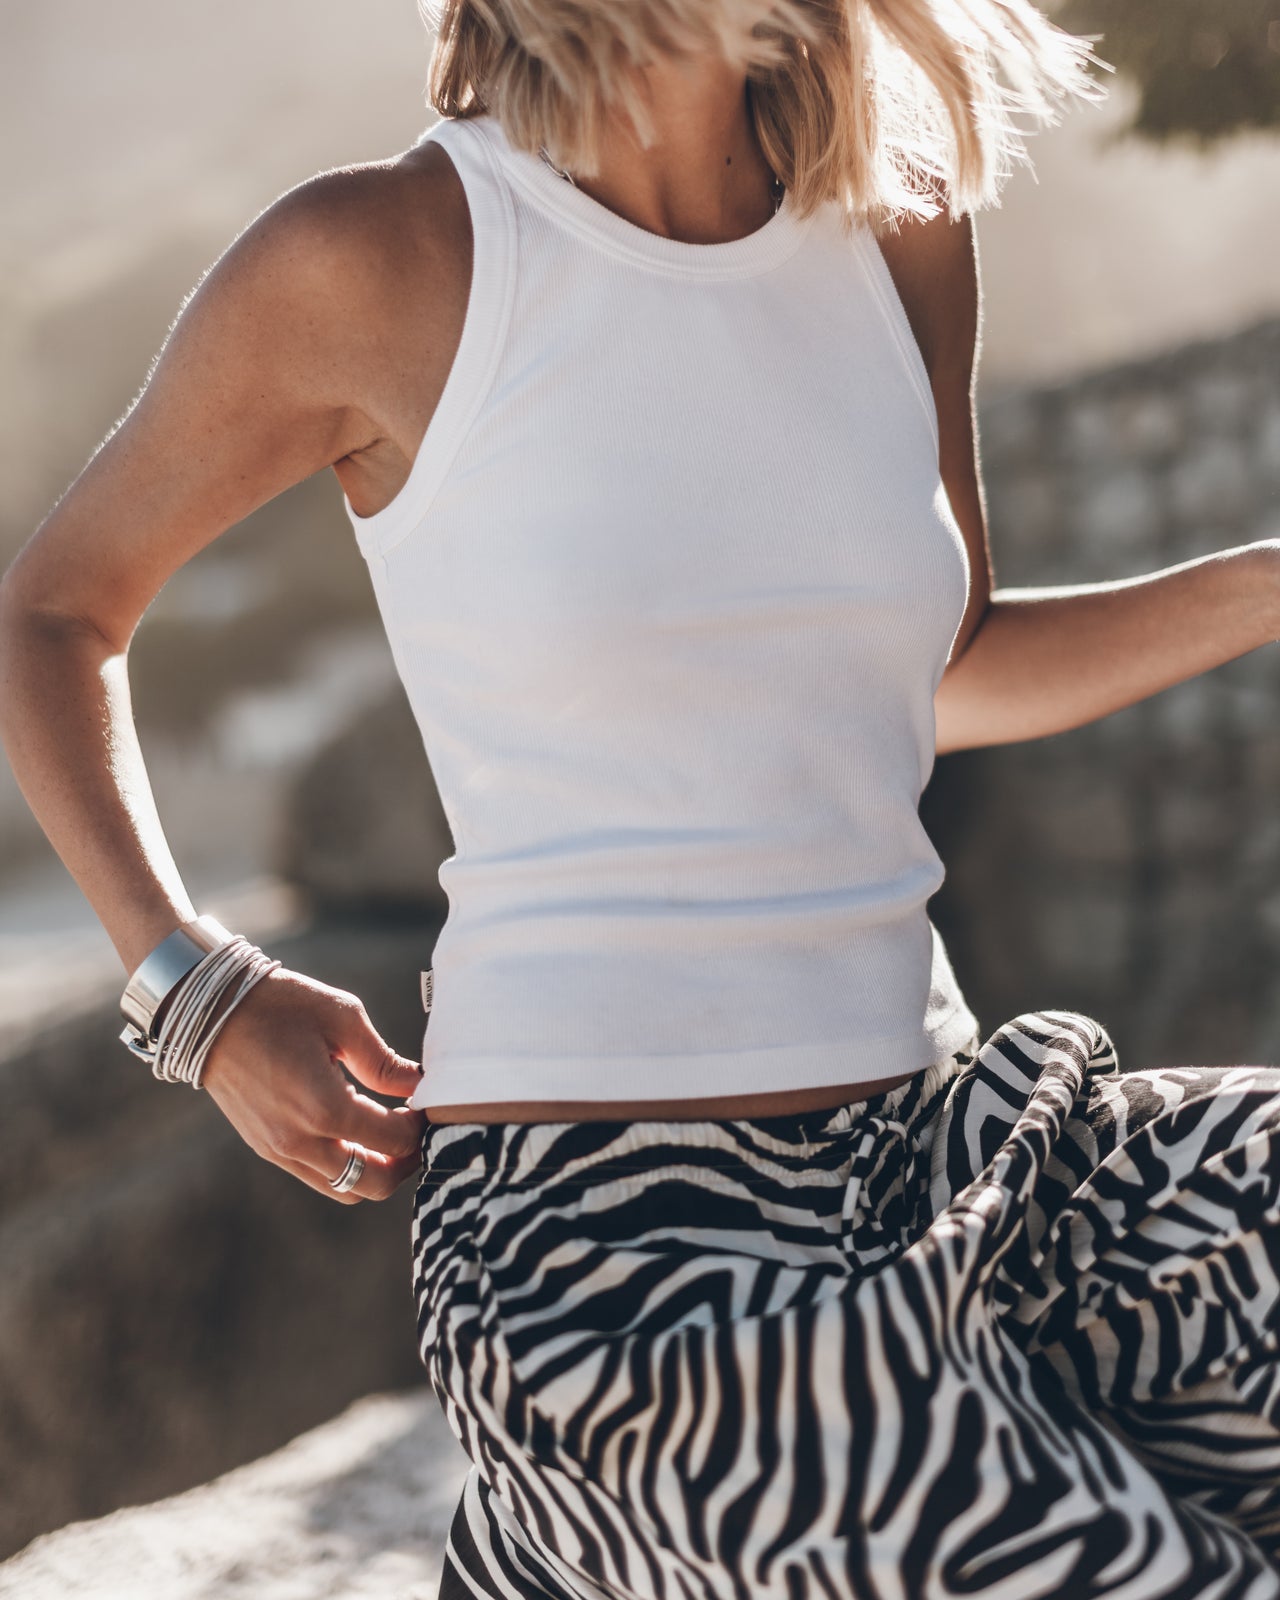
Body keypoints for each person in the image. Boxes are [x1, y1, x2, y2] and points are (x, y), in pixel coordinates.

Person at [2, 0, 1280, 1592]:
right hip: (612, 1249)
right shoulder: (384, 255)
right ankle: (579, 1523)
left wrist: (1265, 587)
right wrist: (189, 983)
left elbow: (939, 670)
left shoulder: (899, 223)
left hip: (951, 1146)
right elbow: (55, 612)